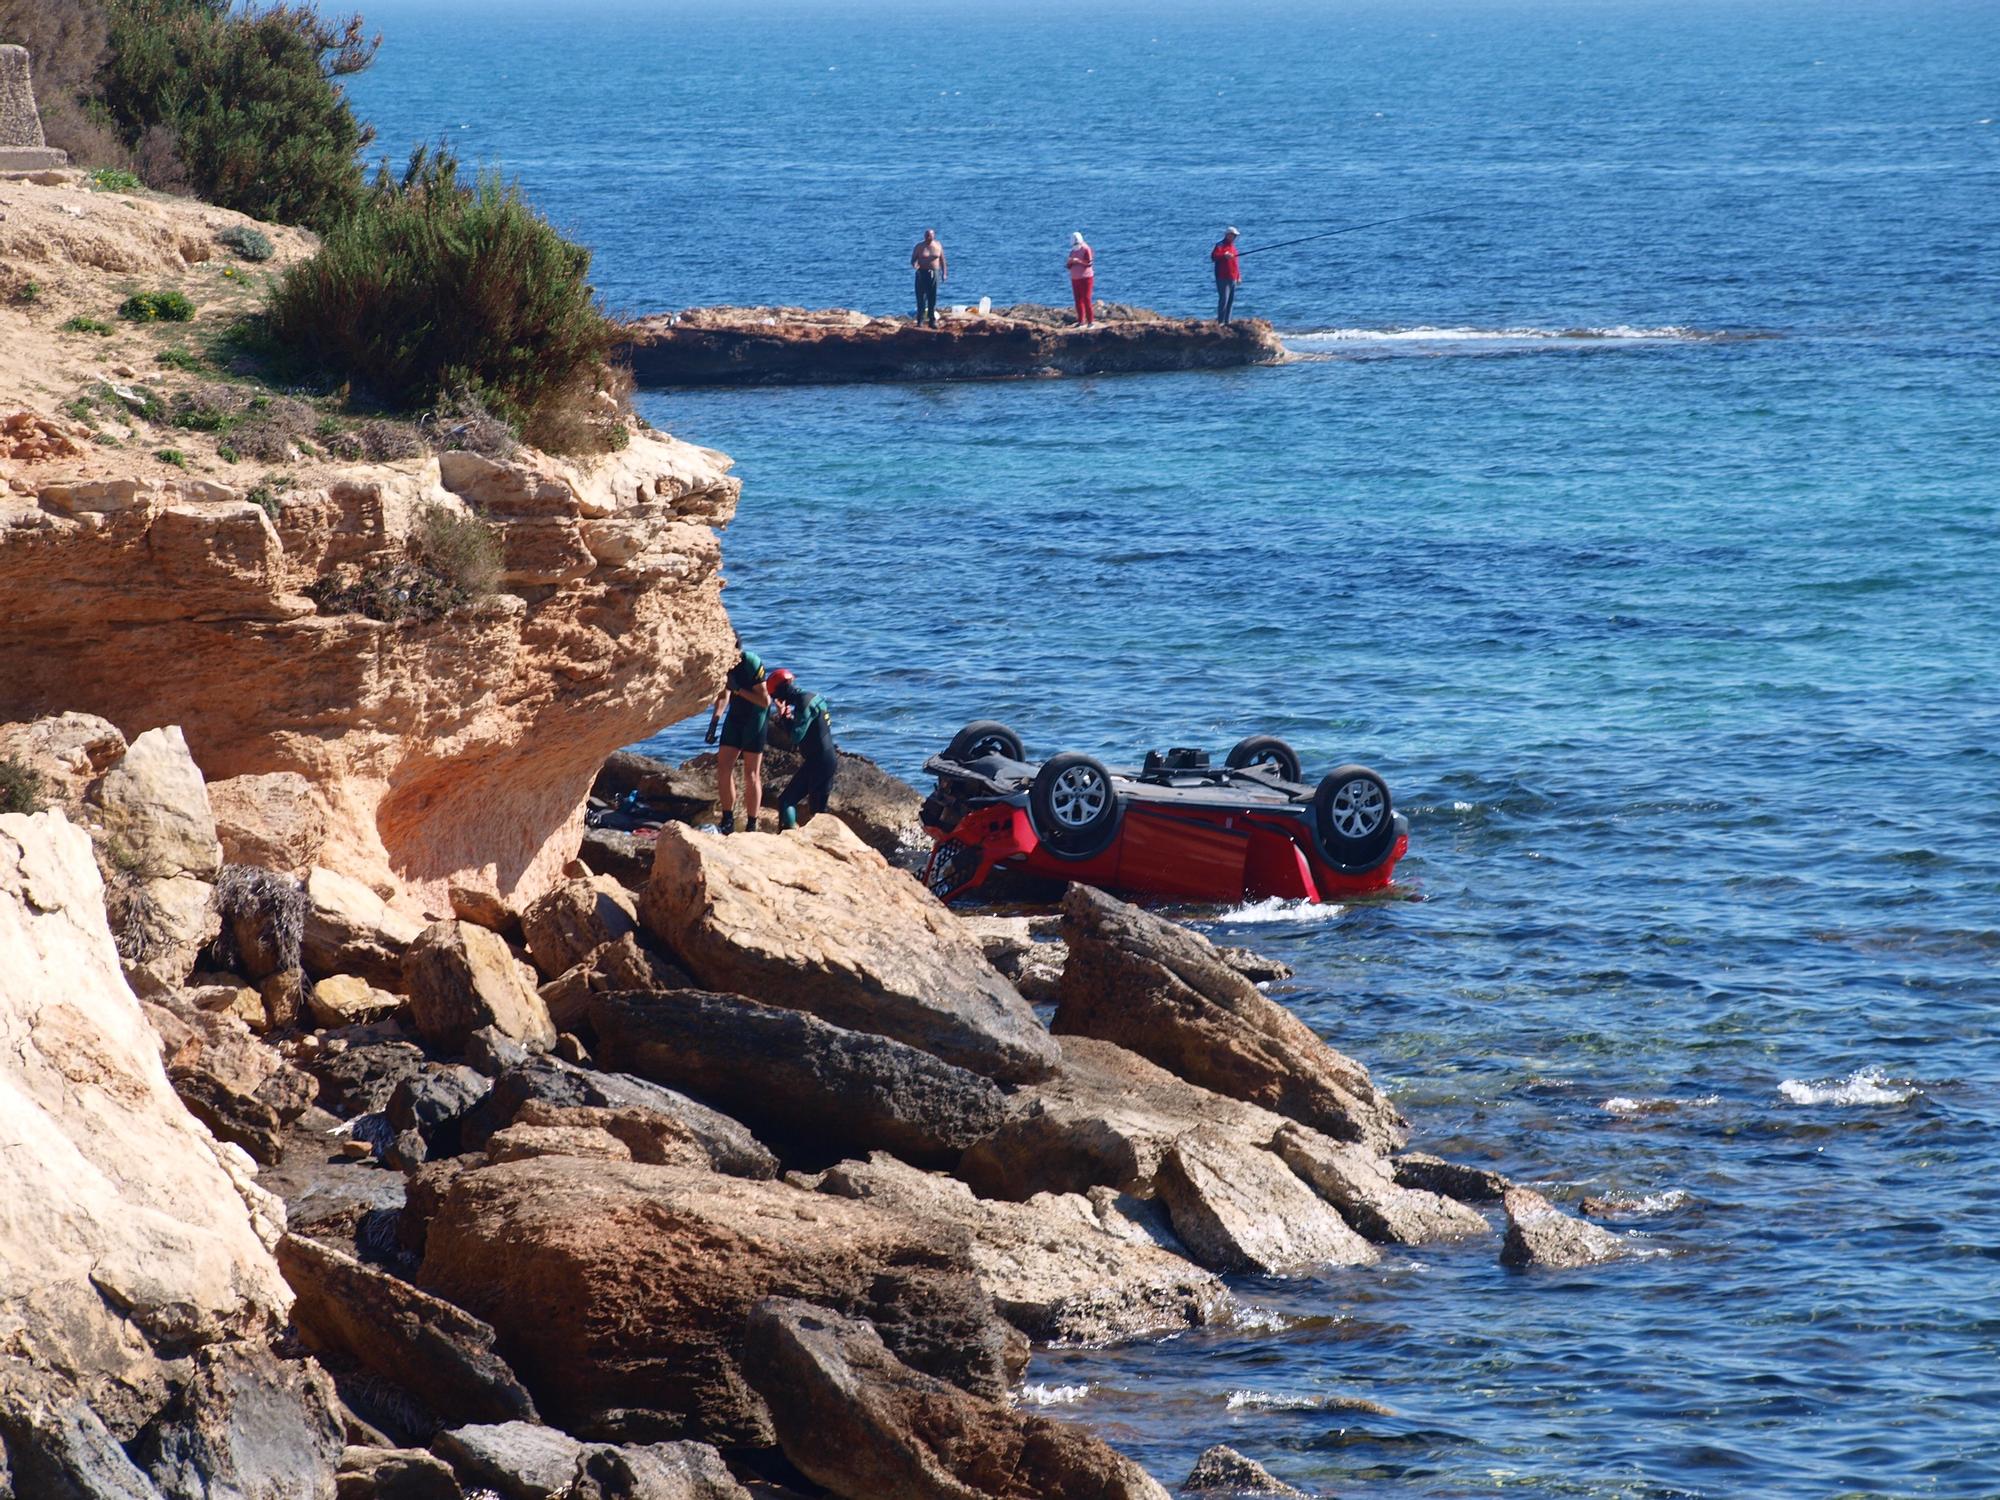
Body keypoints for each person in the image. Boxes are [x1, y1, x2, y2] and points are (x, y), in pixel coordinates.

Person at [705, 639, 769, 833]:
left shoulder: (750, 662)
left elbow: (765, 701)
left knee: (751, 773)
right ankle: (728, 820)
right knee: (723, 767)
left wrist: (739, 690)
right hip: (735, 717)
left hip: (755, 718)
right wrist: (714, 722)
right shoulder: (724, 664)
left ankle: (752, 823)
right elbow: (724, 696)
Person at [765, 668, 839, 830]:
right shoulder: (814, 698)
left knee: (786, 801)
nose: (776, 700)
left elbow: (796, 736)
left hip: (817, 762)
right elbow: (810, 727)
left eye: (775, 696)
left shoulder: (803, 703)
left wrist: (784, 717)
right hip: (828, 759)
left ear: (780, 692)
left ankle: (788, 837)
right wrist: (790, 717)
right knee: (818, 813)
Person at [911, 228, 947, 327]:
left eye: (930, 235)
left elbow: (942, 260)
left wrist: (944, 273)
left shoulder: (938, 245)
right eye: (926, 235)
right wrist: (915, 265)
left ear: (933, 236)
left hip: (933, 273)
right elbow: (913, 260)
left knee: (932, 297)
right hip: (922, 272)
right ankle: (920, 320)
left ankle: (932, 320)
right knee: (921, 298)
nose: (928, 237)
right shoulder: (919, 246)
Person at [1211, 226, 1242, 323]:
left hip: (1232, 277)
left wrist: (1238, 276)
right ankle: (1221, 322)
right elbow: (1214, 257)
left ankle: (1228, 321)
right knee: (1223, 299)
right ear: (1228, 235)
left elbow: (1235, 263)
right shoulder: (1220, 245)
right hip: (1222, 277)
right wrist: (1224, 255)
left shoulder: (1233, 247)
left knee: (1230, 301)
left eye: (1235, 236)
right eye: (1233, 235)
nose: (1234, 237)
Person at [1066, 232, 1096, 327]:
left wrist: (1078, 261)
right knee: (1078, 300)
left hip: (1086, 278)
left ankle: (1090, 322)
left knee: (1086, 299)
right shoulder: (1072, 251)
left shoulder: (1086, 249)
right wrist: (1070, 262)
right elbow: (1068, 266)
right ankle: (1081, 321)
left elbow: (1089, 263)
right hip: (1075, 278)